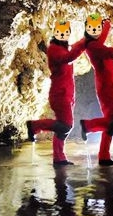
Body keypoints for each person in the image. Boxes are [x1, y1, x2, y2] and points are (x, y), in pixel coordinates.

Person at [26, 20, 86, 166]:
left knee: (62, 128)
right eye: (60, 32)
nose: (63, 35)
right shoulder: (54, 49)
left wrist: (86, 39)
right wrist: (85, 43)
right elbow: (68, 58)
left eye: (66, 33)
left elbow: (72, 50)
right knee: (65, 125)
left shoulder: (65, 48)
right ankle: (34, 126)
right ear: (55, 33)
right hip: (59, 93)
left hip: (67, 94)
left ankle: (59, 158)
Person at [79, 14, 113, 166]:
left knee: (112, 123)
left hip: (108, 85)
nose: (95, 30)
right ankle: (88, 126)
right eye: (92, 28)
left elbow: (101, 39)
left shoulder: (93, 43)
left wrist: (107, 25)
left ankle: (104, 157)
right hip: (107, 86)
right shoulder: (92, 46)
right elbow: (112, 53)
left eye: (97, 28)